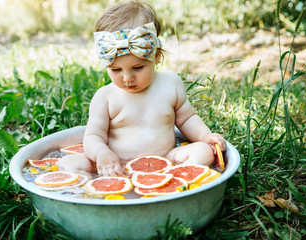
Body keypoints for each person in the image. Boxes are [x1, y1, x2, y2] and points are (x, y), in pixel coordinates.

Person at [58, 0, 226, 177]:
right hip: (117, 164)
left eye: (137, 68)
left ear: (156, 57)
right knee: (67, 163)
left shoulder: (170, 84)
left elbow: (187, 119)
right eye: (116, 70)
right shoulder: (105, 97)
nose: (127, 77)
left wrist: (205, 136)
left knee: (204, 151)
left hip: (167, 160)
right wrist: (102, 153)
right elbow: (93, 136)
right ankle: (95, 189)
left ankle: (176, 179)